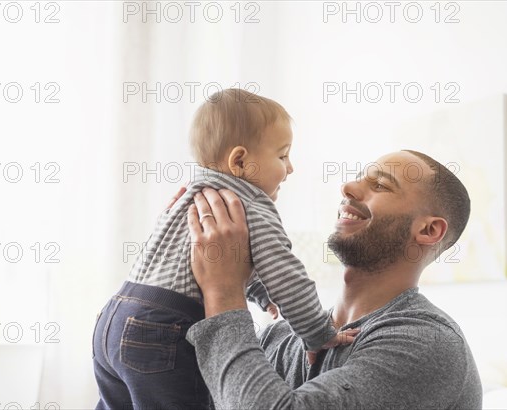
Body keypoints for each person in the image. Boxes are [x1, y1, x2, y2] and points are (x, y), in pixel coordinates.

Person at [92, 89, 354, 410]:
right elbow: (286, 274)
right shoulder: (251, 203)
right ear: (240, 161)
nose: (290, 168)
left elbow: (227, 260)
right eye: (283, 156)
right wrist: (317, 333)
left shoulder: (191, 196)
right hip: (163, 328)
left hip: (114, 317)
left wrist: (259, 292)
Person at [185, 150, 483, 409]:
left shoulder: (427, 343)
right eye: (358, 178)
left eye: (380, 185)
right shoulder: (280, 337)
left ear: (429, 231)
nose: (348, 187)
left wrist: (222, 292)